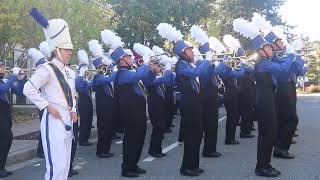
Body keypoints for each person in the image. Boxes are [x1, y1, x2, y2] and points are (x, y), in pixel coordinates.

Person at [25, 8, 77, 180]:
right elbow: (28, 88)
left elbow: (72, 94)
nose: (70, 52)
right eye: (67, 49)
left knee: (65, 166)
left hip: (67, 119)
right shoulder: (46, 69)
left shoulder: (70, 72)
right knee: (56, 167)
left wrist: (74, 109)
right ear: (56, 49)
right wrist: (46, 105)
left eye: (71, 49)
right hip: (53, 120)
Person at [250, 35, 293, 177]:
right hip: (264, 101)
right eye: (268, 47)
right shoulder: (263, 63)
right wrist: (290, 55)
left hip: (268, 100)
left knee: (270, 133)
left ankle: (265, 164)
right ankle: (262, 167)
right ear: (261, 50)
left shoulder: (266, 61)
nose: (271, 48)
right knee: (267, 134)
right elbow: (284, 68)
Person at [111, 46, 157, 178]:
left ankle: (133, 164)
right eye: (128, 57)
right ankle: (126, 168)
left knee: (139, 138)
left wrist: (152, 70)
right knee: (131, 139)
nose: (131, 58)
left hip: (139, 111)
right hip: (130, 112)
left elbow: (148, 81)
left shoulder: (132, 72)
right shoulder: (122, 73)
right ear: (121, 61)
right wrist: (146, 63)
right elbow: (139, 74)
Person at [265, 32, 308, 159]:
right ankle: (281, 147)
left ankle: (280, 146)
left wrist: (300, 59)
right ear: (273, 44)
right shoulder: (274, 57)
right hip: (282, 88)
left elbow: (298, 71)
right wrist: (291, 56)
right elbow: (283, 69)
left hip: (289, 87)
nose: (283, 43)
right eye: (280, 41)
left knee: (284, 119)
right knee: (292, 119)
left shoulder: (284, 55)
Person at [174, 41, 212, 176]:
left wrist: (211, 65)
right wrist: (207, 61)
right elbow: (195, 72)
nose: (192, 52)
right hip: (188, 103)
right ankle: (186, 167)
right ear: (183, 53)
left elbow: (203, 77)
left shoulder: (190, 64)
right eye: (190, 50)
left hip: (196, 102)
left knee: (197, 135)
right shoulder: (181, 65)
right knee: (191, 136)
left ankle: (194, 165)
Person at [197, 42, 222, 158]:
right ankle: (208, 150)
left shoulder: (209, 64)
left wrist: (225, 63)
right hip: (206, 97)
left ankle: (211, 148)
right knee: (209, 125)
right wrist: (209, 62)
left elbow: (219, 72)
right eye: (210, 52)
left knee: (213, 125)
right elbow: (205, 77)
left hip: (213, 97)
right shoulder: (200, 64)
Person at [0, 64, 25, 178]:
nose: (4, 68)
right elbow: (3, 89)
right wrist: (14, 76)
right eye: (1, 66)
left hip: (5, 112)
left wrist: (20, 79)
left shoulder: (5, 80)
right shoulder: (5, 82)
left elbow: (19, 92)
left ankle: (2, 167)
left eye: (4, 66)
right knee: (6, 138)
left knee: (5, 140)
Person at [215, 56, 245, 145]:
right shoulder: (227, 72)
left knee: (232, 116)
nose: (231, 63)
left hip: (231, 95)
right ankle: (229, 138)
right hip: (230, 95)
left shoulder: (229, 70)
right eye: (229, 62)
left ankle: (230, 137)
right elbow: (241, 74)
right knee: (232, 117)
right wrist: (243, 64)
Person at [145, 62, 171, 158]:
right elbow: (162, 79)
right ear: (151, 67)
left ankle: (157, 149)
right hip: (154, 105)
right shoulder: (150, 77)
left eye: (160, 65)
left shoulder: (157, 76)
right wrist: (168, 70)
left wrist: (170, 73)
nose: (160, 67)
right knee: (158, 127)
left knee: (161, 127)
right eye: (157, 65)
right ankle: (153, 150)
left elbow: (169, 81)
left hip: (160, 104)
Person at [92, 57, 116, 158]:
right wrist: (114, 71)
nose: (104, 68)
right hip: (103, 108)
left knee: (109, 128)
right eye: (102, 66)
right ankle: (101, 151)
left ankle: (106, 149)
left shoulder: (103, 76)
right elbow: (109, 79)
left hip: (108, 106)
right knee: (103, 129)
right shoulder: (98, 77)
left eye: (104, 66)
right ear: (98, 67)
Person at [28, 47, 48, 159]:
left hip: (46, 104)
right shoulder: (39, 76)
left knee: (46, 128)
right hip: (43, 105)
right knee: (44, 128)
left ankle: (43, 150)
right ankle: (40, 151)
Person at [235, 48, 256, 138]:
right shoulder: (240, 65)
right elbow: (251, 69)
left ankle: (247, 128)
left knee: (248, 111)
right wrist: (247, 62)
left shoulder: (244, 64)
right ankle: (245, 132)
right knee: (246, 112)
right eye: (243, 55)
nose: (245, 56)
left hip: (247, 89)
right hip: (244, 91)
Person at [75, 50, 94, 146]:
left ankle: (85, 138)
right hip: (83, 99)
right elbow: (80, 87)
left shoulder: (83, 71)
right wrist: (90, 82)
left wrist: (88, 80)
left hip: (87, 98)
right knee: (85, 120)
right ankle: (83, 140)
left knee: (88, 120)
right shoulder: (80, 73)